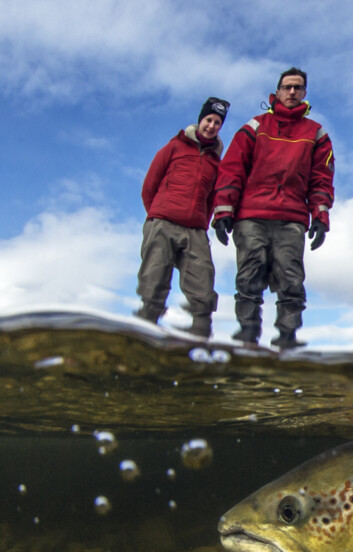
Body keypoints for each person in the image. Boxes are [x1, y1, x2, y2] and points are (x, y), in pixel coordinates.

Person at [212, 67, 334, 350]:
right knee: (248, 280)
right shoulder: (255, 126)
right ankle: (247, 340)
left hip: (291, 219)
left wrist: (321, 215)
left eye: (298, 88)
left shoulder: (316, 133)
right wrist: (223, 212)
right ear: (277, 92)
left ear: (304, 93)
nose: (292, 92)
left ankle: (286, 342)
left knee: (292, 284)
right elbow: (232, 169)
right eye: (287, 87)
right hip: (251, 216)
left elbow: (322, 179)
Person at [135, 97, 230, 338]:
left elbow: (211, 201)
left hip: (195, 231)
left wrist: (201, 223)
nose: (212, 126)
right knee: (153, 287)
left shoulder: (216, 162)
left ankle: (198, 344)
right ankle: (143, 339)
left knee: (203, 291)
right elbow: (149, 186)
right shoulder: (174, 147)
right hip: (162, 224)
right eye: (209, 120)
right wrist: (158, 214)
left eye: (217, 123)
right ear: (201, 120)